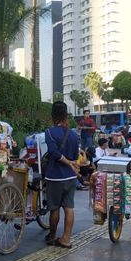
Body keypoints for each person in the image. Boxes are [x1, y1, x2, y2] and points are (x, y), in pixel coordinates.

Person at [43, 101, 80, 248]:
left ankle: (52, 235)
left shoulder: (49, 132)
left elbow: (53, 153)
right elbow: (76, 154)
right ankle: (66, 238)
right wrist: (71, 164)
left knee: (55, 208)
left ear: (53, 115)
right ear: (66, 115)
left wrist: (66, 162)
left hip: (55, 176)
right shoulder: (73, 134)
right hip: (71, 177)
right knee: (69, 207)